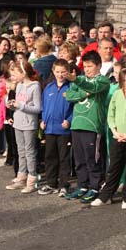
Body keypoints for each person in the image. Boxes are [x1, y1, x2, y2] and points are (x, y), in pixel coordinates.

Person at [91, 67, 126, 208]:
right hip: (117, 137)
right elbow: (111, 113)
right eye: (124, 80)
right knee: (114, 167)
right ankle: (106, 196)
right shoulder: (116, 94)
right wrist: (114, 131)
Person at [64, 51, 110, 202]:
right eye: (85, 66)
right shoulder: (80, 79)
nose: (87, 69)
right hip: (77, 124)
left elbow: (93, 87)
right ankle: (82, 185)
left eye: (90, 66)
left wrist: (77, 82)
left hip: (92, 125)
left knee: (92, 158)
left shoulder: (103, 80)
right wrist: (83, 94)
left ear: (99, 66)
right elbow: (69, 96)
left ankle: (95, 186)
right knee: (79, 159)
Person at [37, 59, 74, 196]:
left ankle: (64, 184)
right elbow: (44, 106)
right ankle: (51, 183)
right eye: (57, 71)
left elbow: (75, 108)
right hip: (49, 128)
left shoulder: (71, 87)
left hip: (63, 129)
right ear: (53, 71)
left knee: (63, 157)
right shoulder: (49, 87)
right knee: (50, 157)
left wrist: (69, 121)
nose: (60, 74)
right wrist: (43, 120)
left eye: (63, 72)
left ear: (68, 72)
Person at [5, 61, 42, 194]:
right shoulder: (19, 85)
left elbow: (38, 108)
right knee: (20, 151)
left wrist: (20, 106)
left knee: (30, 151)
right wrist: (11, 105)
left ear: (23, 73)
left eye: (15, 73)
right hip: (18, 122)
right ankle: (21, 177)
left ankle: (32, 179)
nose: (13, 76)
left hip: (29, 124)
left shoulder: (35, 86)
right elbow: (18, 103)